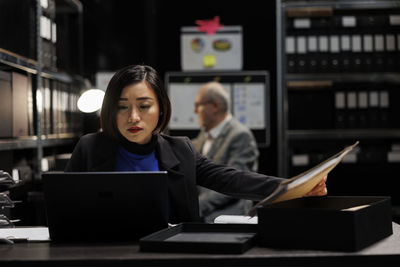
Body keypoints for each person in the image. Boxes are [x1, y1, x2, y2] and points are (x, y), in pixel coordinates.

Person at [65, 64, 327, 224]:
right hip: (105, 253)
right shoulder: (89, 147)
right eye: (122, 108)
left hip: (169, 254)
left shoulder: (181, 149)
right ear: (110, 111)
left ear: (161, 109)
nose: (134, 117)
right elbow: (65, 210)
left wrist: (291, 188)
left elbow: (231, 179)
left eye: (144, 106)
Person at [192, 81, 258, 223]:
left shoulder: (240, 135)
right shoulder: (202, 136)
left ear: (215, 106)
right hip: (204, 216)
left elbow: (233, 184)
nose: (195, 111)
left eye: (198, 105)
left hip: (227, 220)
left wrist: (194, 207)